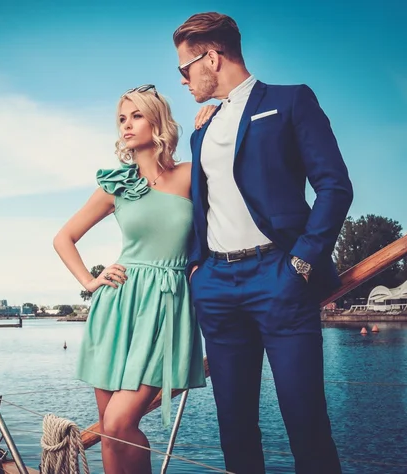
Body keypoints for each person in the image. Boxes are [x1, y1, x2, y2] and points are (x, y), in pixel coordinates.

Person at [173, 12, 353, 474]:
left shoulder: (291, 102)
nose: (183, 80)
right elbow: (203, 202)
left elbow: (334, 186)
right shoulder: (203, 127)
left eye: (184, 69)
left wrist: (302, 263)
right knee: (234, 429)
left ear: (211, 57)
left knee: (306, 424)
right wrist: (198, 269)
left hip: (280, 276)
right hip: (216, 285)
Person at [53, 85, 208, 474]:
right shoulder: (116, 184)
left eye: (136, 115)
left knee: (122, 422)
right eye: (122, 118)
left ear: (157, 120)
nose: (126, 125)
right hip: (118, 305)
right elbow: (63, 238)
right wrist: (91, 282)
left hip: (167, 306)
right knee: (109, 431)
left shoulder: (191, 174)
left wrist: (211, 123)